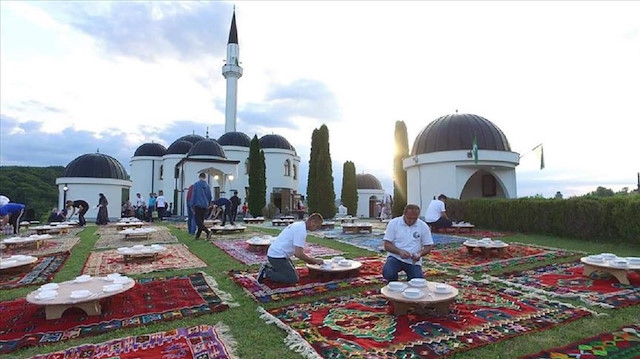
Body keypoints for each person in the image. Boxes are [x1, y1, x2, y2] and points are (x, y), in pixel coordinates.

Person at [257, 213, 324, 284]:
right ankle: (266, 272)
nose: (317, 229)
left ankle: (271, 268)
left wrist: (310, 260)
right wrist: (314, 261)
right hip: (277, 256)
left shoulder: (299, 225)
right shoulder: (301, 230)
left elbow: (296, 252)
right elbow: (298, 254)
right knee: (293, 278)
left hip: (276, 254)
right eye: (317, 226)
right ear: (312, 222)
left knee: (291, 272)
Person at [382, 204, 433, 281]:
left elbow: (428, 246)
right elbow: (387, 244)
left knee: (418, 281)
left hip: (413, 261)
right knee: (388, 273)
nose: (411, 221)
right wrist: (399, 251)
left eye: (414, 219)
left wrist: (419, 254)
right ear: (404, 214)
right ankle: (392, 284)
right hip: (395, 257)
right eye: (409, 218)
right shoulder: (394, 223)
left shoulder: (423, 226)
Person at [188, 173, 212, 240]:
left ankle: (207, 232)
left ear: (199, 177)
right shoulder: (207, 186)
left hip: (198, 205)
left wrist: (191, 205)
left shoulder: (196, 185)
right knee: (201, 221)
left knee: (198, 222)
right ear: (205, 177)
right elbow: (209, 196)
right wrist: (208, 204)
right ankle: (197, 236)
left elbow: (194, 195)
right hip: (205, 205)